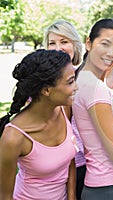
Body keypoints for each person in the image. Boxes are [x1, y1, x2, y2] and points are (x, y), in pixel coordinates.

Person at [0, 49, 78, 200]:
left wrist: (72, 196)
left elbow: (69, 159)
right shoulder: (13, 137)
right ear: (47, 90)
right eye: (70, 82)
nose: (76, 87)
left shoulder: (64, 109)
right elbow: (4, 196)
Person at [72, 18, 113, 200]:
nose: (111, 53)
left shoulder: (86, 81)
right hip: (109, 188)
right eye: (105, 44)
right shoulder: (94, 87)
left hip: (108, 185)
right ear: (88, 43)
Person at [43, 19, 86, 200]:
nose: (58, 48)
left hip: (82, 162)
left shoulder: (84, 78)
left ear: (75, 46)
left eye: (64, 42)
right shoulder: (40, 80)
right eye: (52, 43)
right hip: (49, 164)